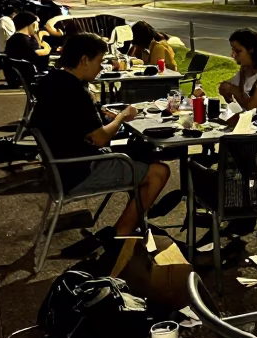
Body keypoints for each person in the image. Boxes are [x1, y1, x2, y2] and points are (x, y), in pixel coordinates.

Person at [31, 32, 170, 237]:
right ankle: (123, 232)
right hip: (79, 171)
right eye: (99, 61)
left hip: (59, 167)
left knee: (139, 154)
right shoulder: (76, 92)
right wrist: (121, 117)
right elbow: (100, 139)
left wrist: (102, 114)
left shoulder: (52, 81)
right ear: (84, 60)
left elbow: (73, 121)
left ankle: (136, 221)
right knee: (159, 171)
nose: (100, 67)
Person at [4, 11, 52, 78]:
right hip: (32, 76)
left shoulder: (15, 38)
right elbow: (35, 56)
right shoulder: (23, 40)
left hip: (21, 76)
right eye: (35, 25)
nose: (37, 28)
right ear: (31, 24)